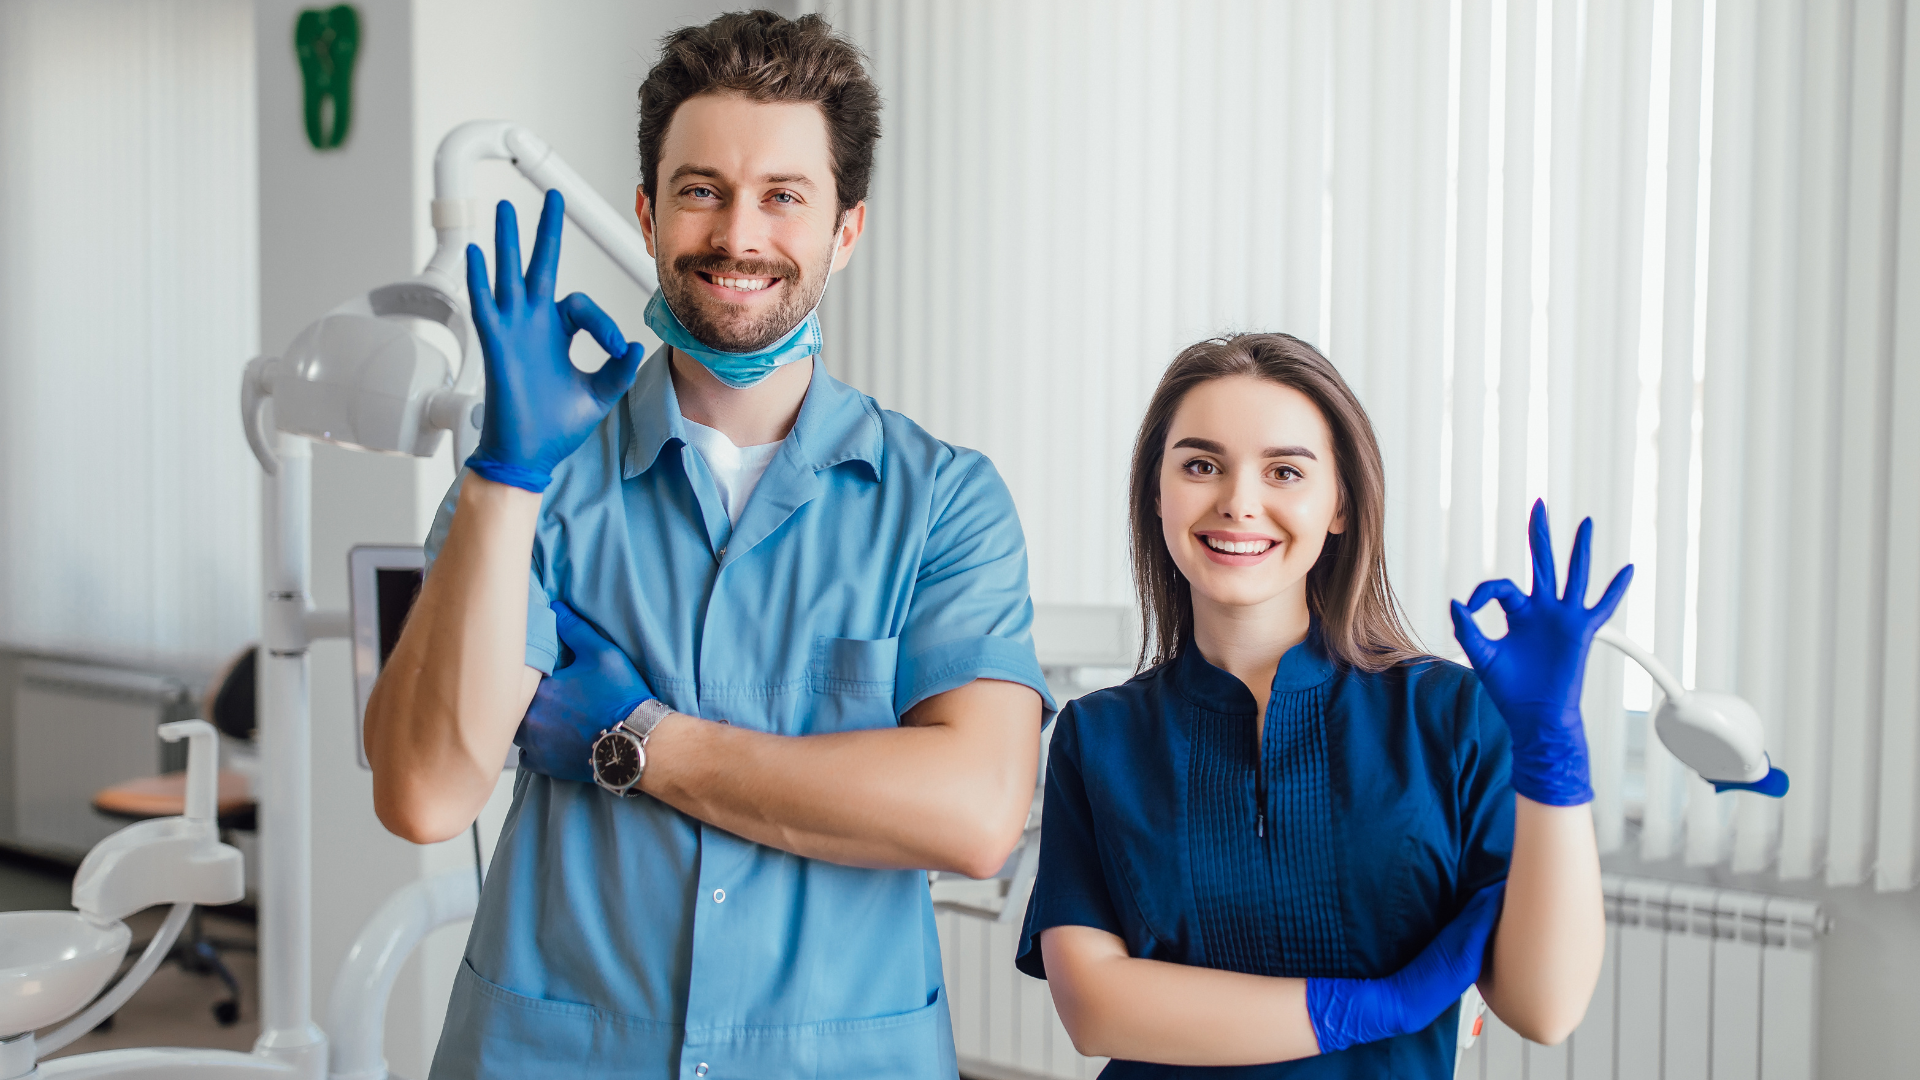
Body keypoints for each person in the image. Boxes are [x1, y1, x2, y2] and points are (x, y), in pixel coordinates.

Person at [362, 12, 1052, 1077]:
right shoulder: (537, 482)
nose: (739, 234)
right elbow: (424, 793)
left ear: (846, 230)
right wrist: (506, 477)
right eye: (701, 190)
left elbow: (973, 815)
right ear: (647, 212)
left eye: (784, 196)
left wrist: (636, 740)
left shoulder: (942, 503)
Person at [1017, 333, 1626, 1076]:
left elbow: (1544, 1007)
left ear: (1340, 503)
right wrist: (1369, 1008)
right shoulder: (1099, 735)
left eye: (1284, 471)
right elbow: (1095, 1008)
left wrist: (1553, 757)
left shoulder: (1450, 716)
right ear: (1156, 493)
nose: (1240, 503)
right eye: (1202, 466)